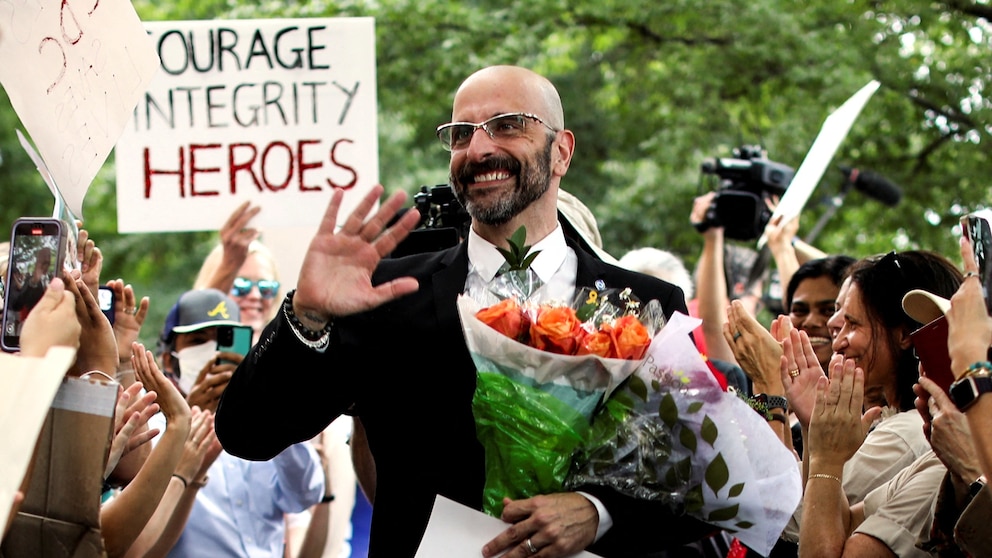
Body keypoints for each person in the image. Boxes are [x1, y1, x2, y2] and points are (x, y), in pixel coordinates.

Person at [216, 65, 714, 558]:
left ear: (561, 151)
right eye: (460, 135)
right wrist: (305, 316)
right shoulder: (385, 293)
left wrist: (595, 512)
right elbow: (247, 433)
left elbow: (697, 482)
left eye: (507, 125)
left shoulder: (646, 306)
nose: (477, 150)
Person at [777, 250, 963, 548]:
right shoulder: (909, 436)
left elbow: (788, 520)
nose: (837, 340)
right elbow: (838, 520)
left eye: (852, 323)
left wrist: (768, 392)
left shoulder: (908, 434)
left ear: (904, 335)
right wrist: (815, 426)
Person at [156, 288, 325, 557]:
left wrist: (267, 405)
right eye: (198, 340)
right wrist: (186, 423)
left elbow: (305, 495)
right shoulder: (154, 430)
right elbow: (146, 524)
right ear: (169, 358)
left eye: (224, 339)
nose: (212, 352)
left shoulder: (263, 421)